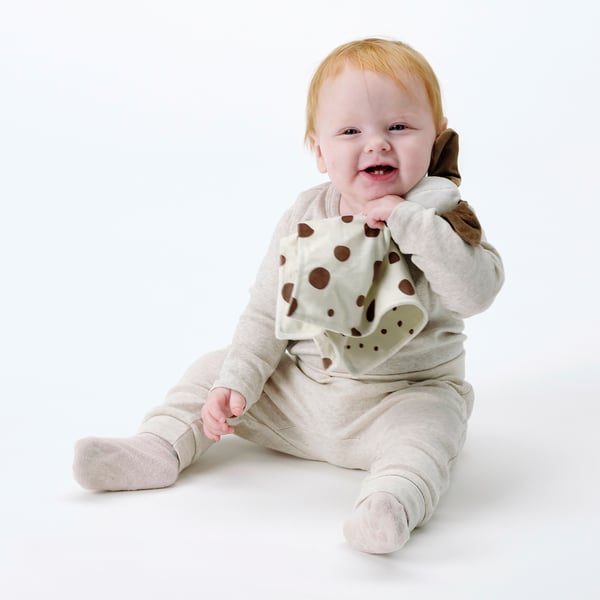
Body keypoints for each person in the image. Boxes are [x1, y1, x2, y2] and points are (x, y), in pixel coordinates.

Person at [73, 37, 504, 555]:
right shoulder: (307, 213)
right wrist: (237, 383)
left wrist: (412, 224)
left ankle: (390, 503)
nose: (376, 144)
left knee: (427, 434)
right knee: (214, 368)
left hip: (400, 398)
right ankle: (160, 446)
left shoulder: (444, 215)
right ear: (321, 152)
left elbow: (475, 293)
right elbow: (266, 309)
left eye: (398, 126)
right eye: (350, 131)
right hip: (301, 398)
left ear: (435, 140)